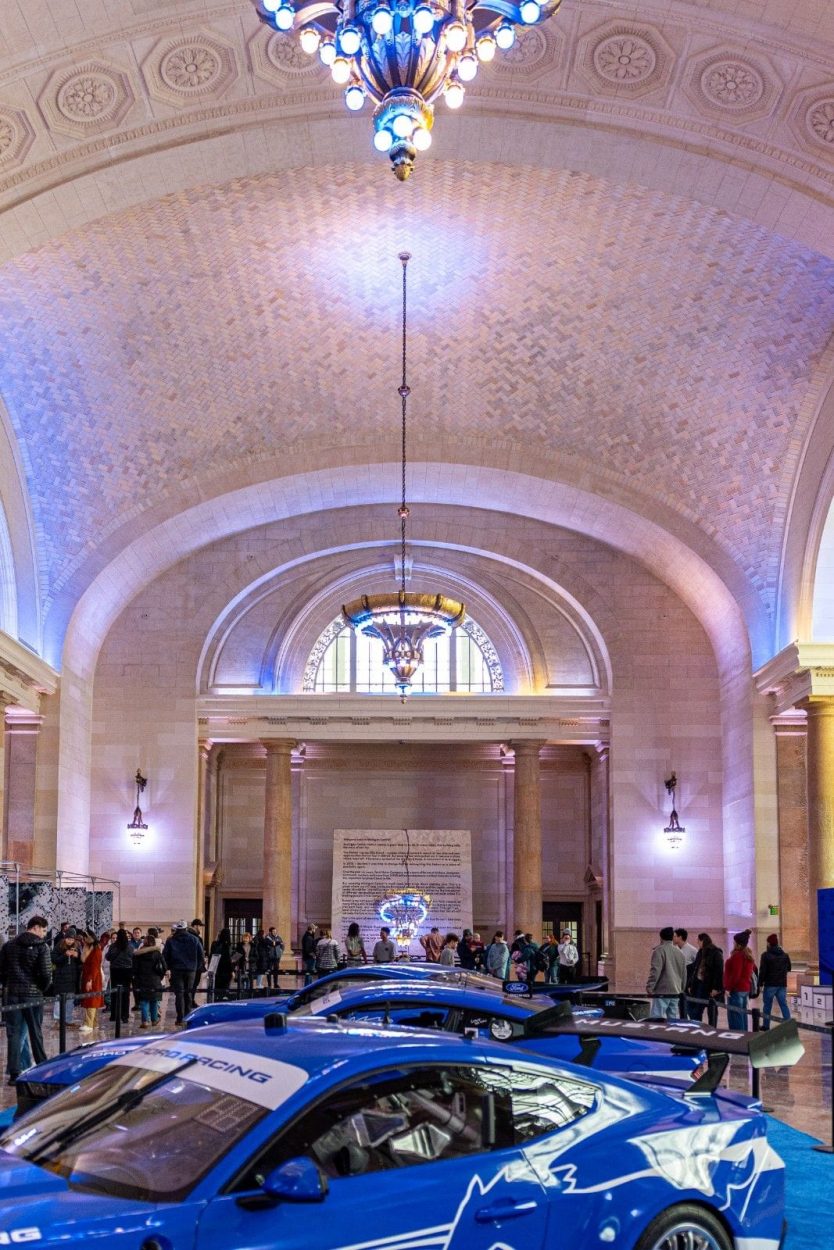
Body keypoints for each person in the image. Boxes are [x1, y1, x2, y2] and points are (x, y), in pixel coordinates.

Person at [0, 915, 52, 1082]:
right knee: (35, 1032)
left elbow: (2, 970)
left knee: (14, 1034)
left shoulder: (9, 946)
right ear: (35, 927)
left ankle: (14, 1073)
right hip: (33, 995)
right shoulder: (42, 947)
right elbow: (46, 974)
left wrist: (7, 984)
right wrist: (42, 988)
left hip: (13, 995)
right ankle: (43, 1068)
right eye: (43, 930)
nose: (44, 934)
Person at [163, 920, 203, 1024]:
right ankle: (188, 1017)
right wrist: (196, 967)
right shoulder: (195, 939)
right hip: (191, 970)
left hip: (176, 970)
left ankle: (180, 1018)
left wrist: (168, 968)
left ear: (177, 928)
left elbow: (165, 956)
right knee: (188, 994)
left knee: (179, 994)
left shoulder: (171, 940)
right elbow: (201, 955)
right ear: (186, 928)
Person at [646, 926, 686, 1019]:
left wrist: (650, 986)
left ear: (661, 937)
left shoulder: (659, 951)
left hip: (662, 990)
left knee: (657, 1018)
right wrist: (681, 989)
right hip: (676, 991)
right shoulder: (680, 953)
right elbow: (684, 974)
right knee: (673, 1018)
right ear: (672, 937)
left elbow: (655, 971)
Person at [688, 932, 725, 1025]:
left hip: (710, 986)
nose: (697, 943)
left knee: (712, 1010)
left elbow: (719, 971)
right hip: (700, 985)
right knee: (697, 1009)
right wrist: (691, 984)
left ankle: (712, 1028)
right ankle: (697, 1026)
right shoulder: (700, 952)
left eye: (698, 941)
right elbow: (695, 968)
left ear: (702, 941)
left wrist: (716, 988)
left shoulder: (716, 952)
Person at [724, 929, 756, 1030]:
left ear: (738, 943)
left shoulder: (738, 956)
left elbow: (736, 975)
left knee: (735, 1016)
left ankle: (738, 1036)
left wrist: (728, 988)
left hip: (736, 989)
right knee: (742, 1014)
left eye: (734, 941)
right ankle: (744, 1035)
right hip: (745, 989)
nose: (733, 943)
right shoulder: (748, 955)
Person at [133, 932, 166, 1027]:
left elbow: (134, 969)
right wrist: (160, 977)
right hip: (155, 980)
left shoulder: (138, 954)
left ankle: (145, 1021)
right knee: (154, 1000)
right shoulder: (157, 953)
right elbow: (164, 967)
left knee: (144, 1001)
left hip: (142, 980)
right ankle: (154, 1020)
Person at [759, 933, 792, 1029]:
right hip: (782, 984)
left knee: (767, 1006)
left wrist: (760, 983)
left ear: (769, 943)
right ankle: (789, 1025)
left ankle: (766, 1026)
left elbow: (763, 971)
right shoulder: (785, 955)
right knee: (783, 1004)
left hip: (770, 984)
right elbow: (789, 968)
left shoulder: (765, 955)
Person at [51, 933, 81, 1024]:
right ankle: (57, 1020)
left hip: (72, 979)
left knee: (70, 1001)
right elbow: (54, 959)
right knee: (58, 1000)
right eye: (68, 939)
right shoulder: (58, 947)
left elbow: (81, 962)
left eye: (72, 939)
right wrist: (65, 955)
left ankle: (68, 1020)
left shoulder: (76, 947)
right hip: (61, 978)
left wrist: (77, 956)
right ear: (65, 939)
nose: (70, 941)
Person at [105, 928, 133, 1023]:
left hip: (115, 971)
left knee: (115, 993)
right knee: (126, 994)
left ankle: (114, 1015)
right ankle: (125, 1016)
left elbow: (108, 957)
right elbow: (132, 957)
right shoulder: (130, 946)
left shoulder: (113, 946)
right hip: (127, 971)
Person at [79, 932, 104, 1034]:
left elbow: (94, 967)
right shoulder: (89, 948)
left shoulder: (96, 950)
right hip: (88, 977)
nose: (83, 940)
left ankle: (89, 1024)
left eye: (85, 938)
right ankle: (94, 1023)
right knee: (91, 1000)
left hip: (93, 978)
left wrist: (90, 980)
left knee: (92, 1001)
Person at [673, 927, 698, 1015]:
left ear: (680, 937)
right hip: (677, 983)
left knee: (688, 1007)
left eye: (675, 936)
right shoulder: (674, 949)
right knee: (680, 1007)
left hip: (687, 983)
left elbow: (696, 966)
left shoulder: (692, 950)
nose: (673, 938)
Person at [209, 928, 233, 999]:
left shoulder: (214, 944)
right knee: (224, 989)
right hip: (225, 970)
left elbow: (211, 956)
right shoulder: (227, 945)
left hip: (216, 968)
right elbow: (228, 959)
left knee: (216, 987)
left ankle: (216, 999)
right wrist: (232, 969)